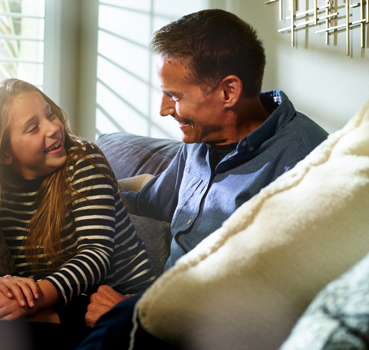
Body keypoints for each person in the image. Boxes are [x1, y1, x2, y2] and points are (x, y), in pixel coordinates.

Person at [77, 9, 329, 349]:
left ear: (228, 92)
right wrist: (80, 191)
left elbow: (281, 297)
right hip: (160, 307)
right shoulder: (200, 142)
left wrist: (137, 312)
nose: (164, 109)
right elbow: (153, 201)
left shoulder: (306, 160)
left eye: (176, 96)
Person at [0, 78, 156, 349]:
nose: (54, 128)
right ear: (4, 154)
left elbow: (95, 255)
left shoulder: (85, 161)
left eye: (49, 114)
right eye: (33, 128)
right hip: (44, 293)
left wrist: (32, 298)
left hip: (100, 298)